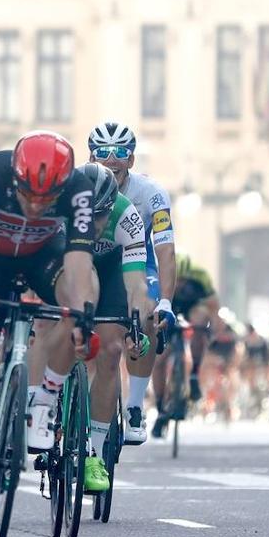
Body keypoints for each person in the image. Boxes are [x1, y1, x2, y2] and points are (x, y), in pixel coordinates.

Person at [0, 131, 98, 522]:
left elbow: (77, 261)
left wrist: (81, 315)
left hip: (44, 259)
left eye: (47, 198)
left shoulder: (78, 188)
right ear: (16, 175)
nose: (35, 204)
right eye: (28, 194)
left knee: (79, 300)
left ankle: (44, 400)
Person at [87, 122, 176, 443]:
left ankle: (135, 404)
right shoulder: (79, 185)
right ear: (91, 157)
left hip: (135, 259)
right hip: (88, 258)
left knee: (147, 314)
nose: (112, 159)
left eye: (121, 152)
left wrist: (165, 300)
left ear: (132, 160)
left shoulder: (151, 194)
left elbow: (165, 251)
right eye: (103, 153)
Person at [80, 162, 154, 492]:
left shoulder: (126, 216)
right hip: (70, 261)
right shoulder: (60, 211)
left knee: (110, 351)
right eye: (88, 214)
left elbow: (136, 283)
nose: (95, 223)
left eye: (101, 215)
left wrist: (137, 326)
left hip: (112, 270)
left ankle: (94, 453)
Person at [153, 254, 219, 437]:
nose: (179, 284)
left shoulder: (200, 277)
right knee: (158, 361)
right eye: (176, 279)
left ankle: (194, 374)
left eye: (182, 280)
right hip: (166, 309)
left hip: (192, 309)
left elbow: (214, 308)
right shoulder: (157, 277)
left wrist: (211, 331)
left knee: (200, 320)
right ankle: (160, 407)